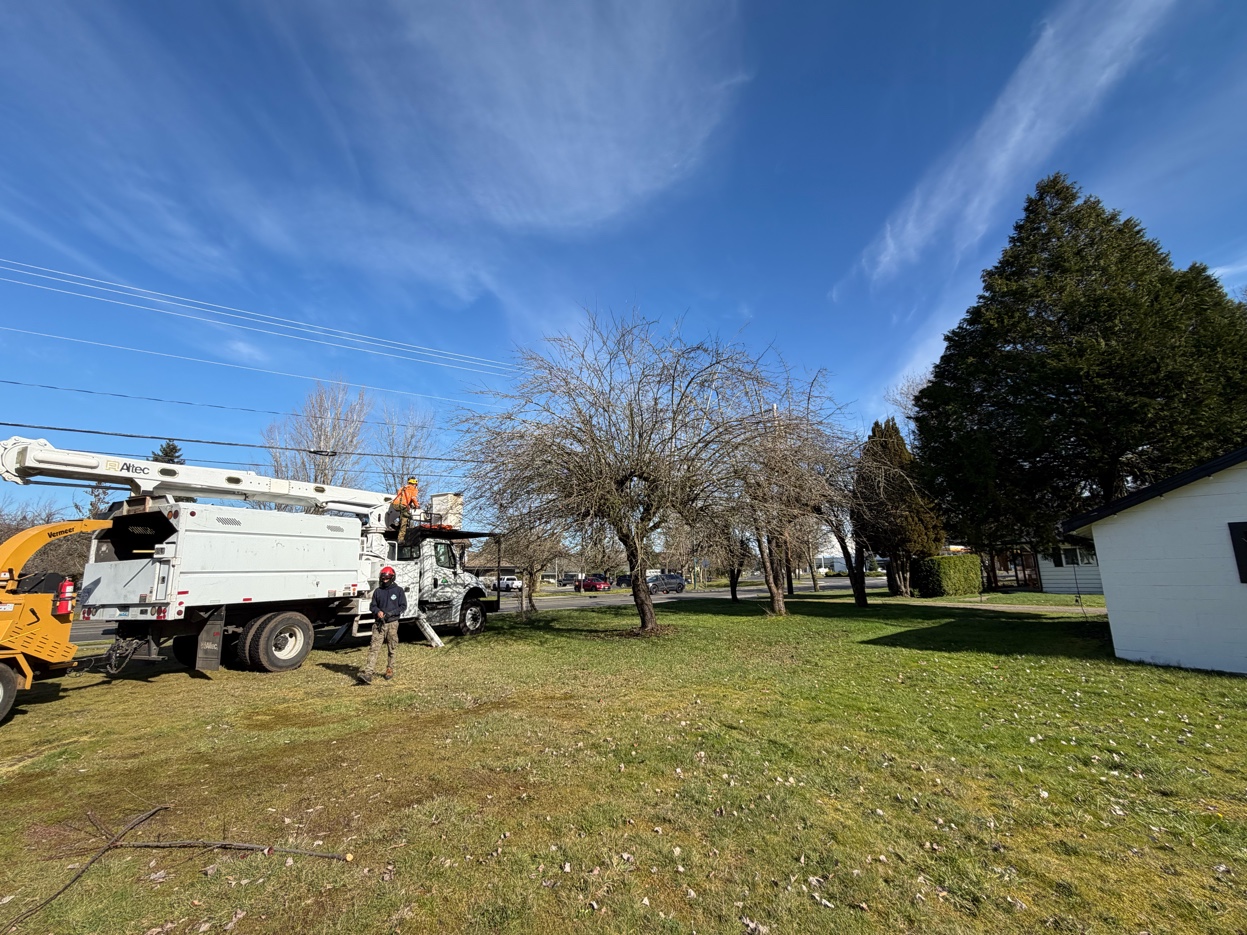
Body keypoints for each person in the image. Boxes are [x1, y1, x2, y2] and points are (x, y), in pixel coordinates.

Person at [359, 566, 406, 684]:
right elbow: (372, 606)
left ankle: (390, 668)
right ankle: (368, 673)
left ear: (392, 578)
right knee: (374, 648)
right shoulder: (378, 591)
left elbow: (403, 606)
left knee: (392, 648)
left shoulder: (398, 591)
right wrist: (377, 611)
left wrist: (391, 613)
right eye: (383, 578)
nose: (385, 580)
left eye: (387, 578)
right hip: (379, 624)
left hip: (392, 624)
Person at [392, 477, 419, 541]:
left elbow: (402, 497)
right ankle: (400, 539)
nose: (416, 486)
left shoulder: (402, 488)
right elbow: (413, 497)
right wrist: (416, 505)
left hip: (395, 504)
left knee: (402, 515)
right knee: (405, 521)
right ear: (414, 484)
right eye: (416, 484)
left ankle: (397, 525)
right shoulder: (414, 489)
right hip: (403, 506)